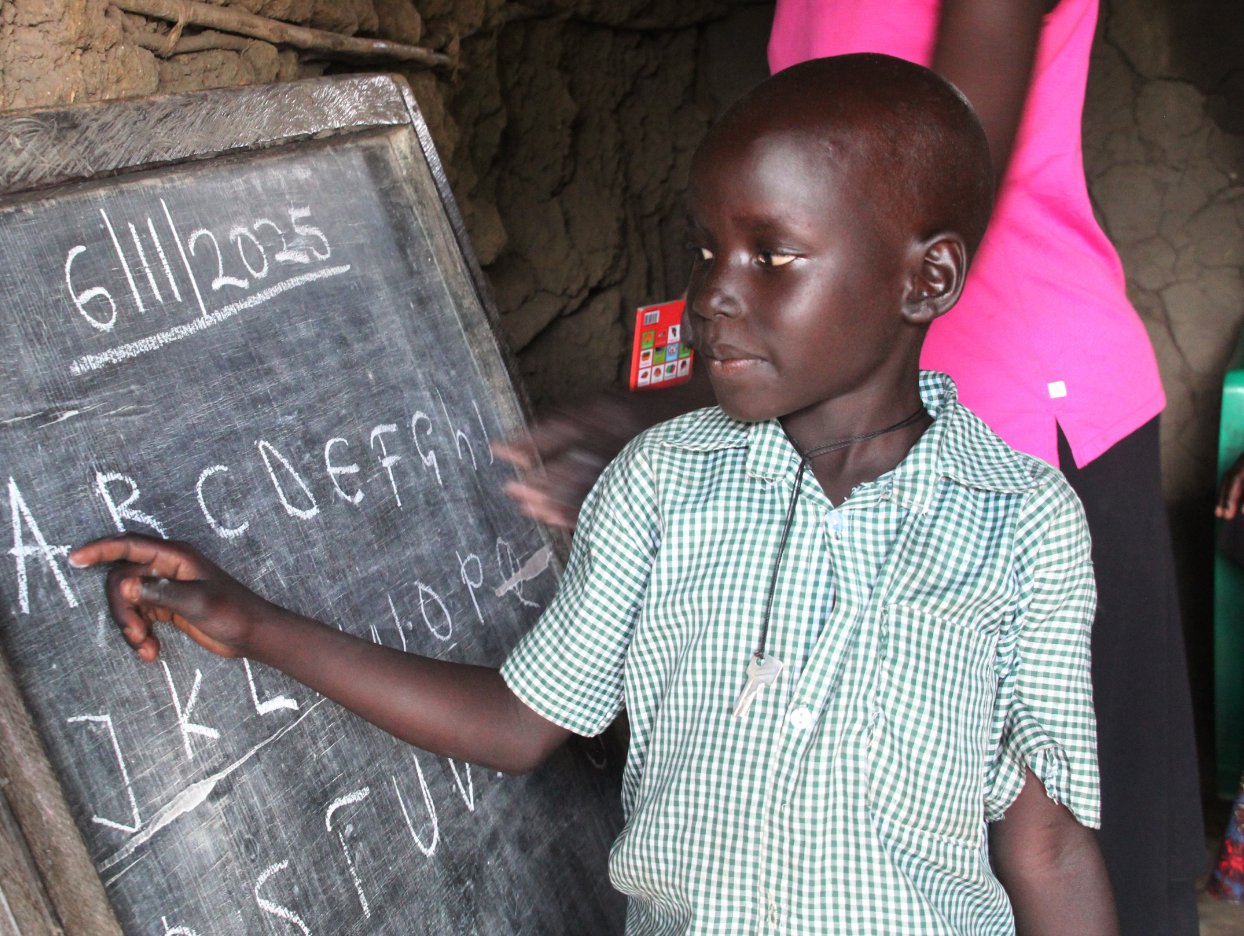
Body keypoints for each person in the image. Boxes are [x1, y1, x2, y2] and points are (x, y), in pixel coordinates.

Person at [72, 54, 1116, 935]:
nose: (714, 293)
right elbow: (521, 722)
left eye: (773, 255)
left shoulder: (1018, 523)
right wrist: (253, 622)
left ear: (925, 280)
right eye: (709, 249)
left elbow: (1050, 842)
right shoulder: (664, 483)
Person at [499, 0, 1206, 932]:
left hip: (1016, 412)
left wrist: (677, 406)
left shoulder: (1021, 520)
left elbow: (952, 153)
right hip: (841, 428)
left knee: (1060, 849)